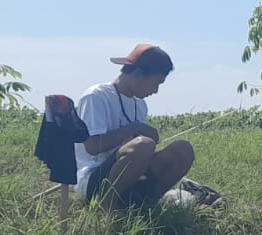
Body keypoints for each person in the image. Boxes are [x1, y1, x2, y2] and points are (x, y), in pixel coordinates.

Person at [74, 44, 195, 208]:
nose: (156, 91)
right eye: (155, 83)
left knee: (183, 149)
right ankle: (105, 207)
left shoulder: (140, 104)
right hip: (94, 179)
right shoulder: (97, 96)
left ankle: (147, 203)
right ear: (138, 74)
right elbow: (92, 146)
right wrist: (133, 130)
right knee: (143, 145)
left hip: (133, 176)